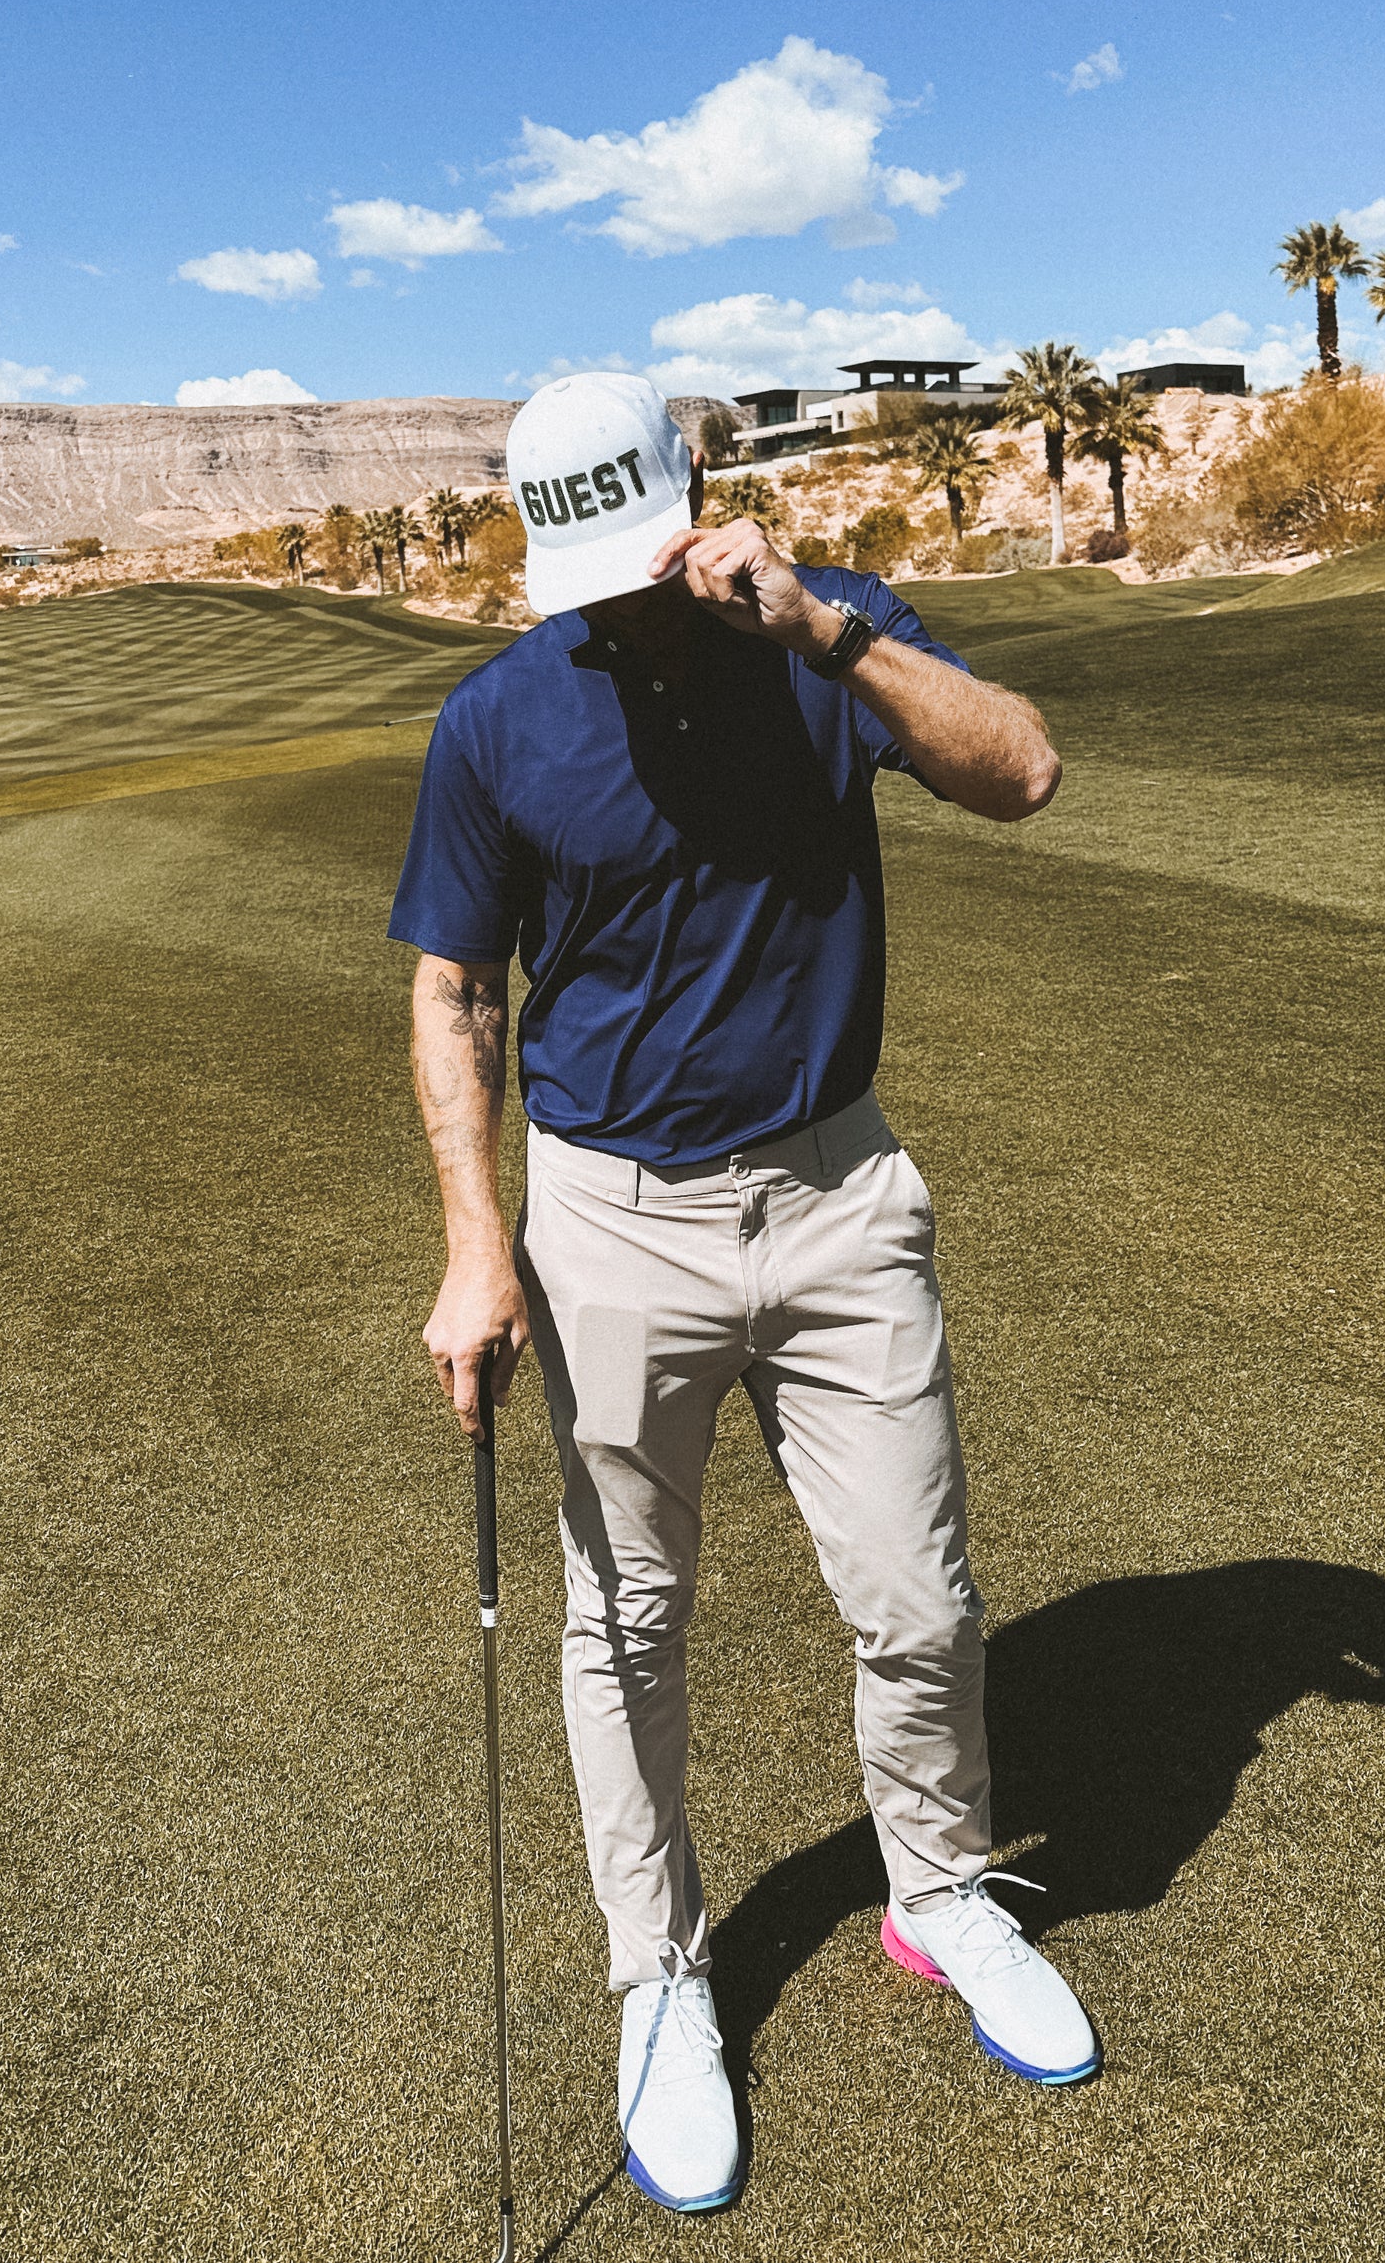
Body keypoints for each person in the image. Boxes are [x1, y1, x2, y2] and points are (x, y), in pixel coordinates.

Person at [390, 373, 1099, 2216]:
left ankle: (937, 1894)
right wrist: (478, 1245)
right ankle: (660, 1972)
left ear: (702, 499)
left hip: (840, 1187)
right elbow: (457, 992)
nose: (626, 610)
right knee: (623, 1614)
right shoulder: (496, 722)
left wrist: (828, 627)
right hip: (610, 1217)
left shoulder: (825, 634)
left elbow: (1018, 770)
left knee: (915, 1590)